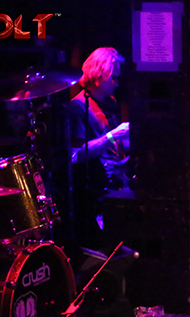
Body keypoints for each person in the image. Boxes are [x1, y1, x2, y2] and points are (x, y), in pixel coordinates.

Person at [68, 47, 132, 247]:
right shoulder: (78, 107)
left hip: (118, 179)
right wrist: (114, 135)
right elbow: (76, 155)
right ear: (99, 76)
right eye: (113, 78)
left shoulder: (109, 102)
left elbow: (115, 146)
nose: (117, 83)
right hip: (99, 189)